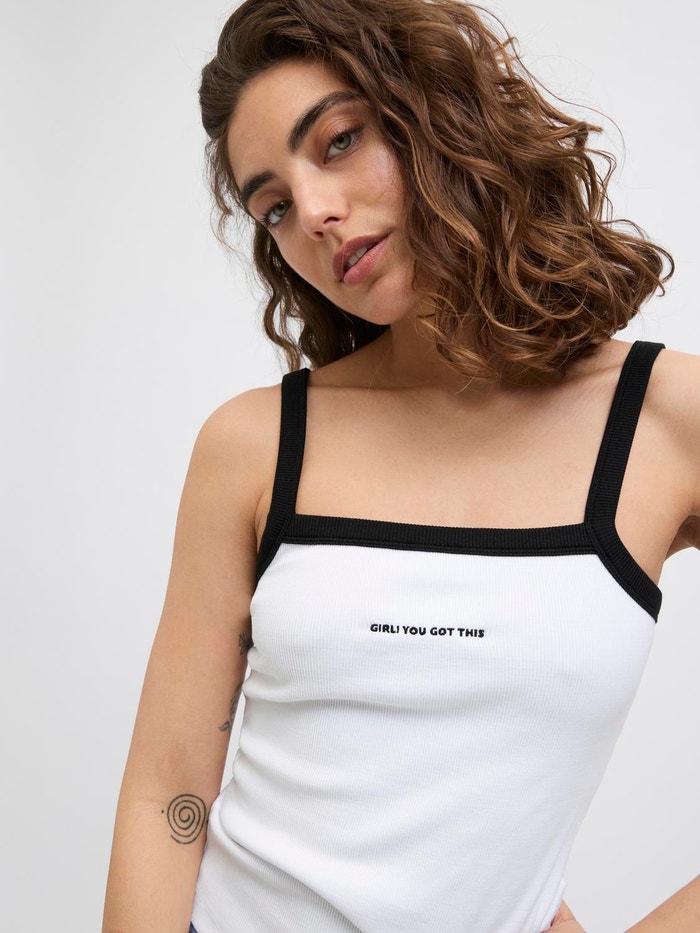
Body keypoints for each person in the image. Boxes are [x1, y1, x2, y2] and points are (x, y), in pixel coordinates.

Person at [102, 0, 700, 930]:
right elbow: (168, 795)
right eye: (273, 206)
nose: (313, 213)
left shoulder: (664, 419)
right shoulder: (257, 444)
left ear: (438, 113)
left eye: (338, 141)